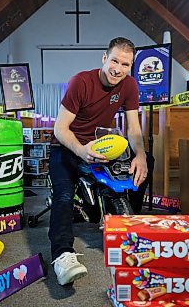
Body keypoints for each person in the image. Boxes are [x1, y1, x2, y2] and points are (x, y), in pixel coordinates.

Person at [48, 37, 154, 285]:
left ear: (131, 67)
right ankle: (63, 255)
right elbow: (60, 129)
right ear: (104, 59)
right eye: (114, 60)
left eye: (125, 64)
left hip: (102, 145)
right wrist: (81, 150)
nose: (118, 68)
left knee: (147, 160)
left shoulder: (129, 86)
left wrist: (139, 156)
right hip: (67, 145)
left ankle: (127, 227)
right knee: (64, 194)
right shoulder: (81, 82)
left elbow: (134, 129)